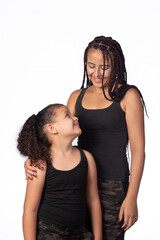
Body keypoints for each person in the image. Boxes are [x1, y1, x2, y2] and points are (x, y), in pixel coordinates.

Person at [24, 36, 146, 240]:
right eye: (91, 66)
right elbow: (57, 137)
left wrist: (132, 197)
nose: (96, 73)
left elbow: (138, 150)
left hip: (112, 184)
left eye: (104, 67)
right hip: (76, 181)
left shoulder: (128, 96)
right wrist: (32, 159)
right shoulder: (76, 97)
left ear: (116, 65)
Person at [17, 103, 102, 240]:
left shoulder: (87, 158)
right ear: (52, 128)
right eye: (67, 115)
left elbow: (93, 201)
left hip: (80, 232)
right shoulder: (40, 163)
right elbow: (30, 210)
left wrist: (98, 237)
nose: (75, 118)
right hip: (49, 233)